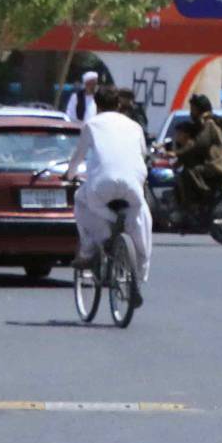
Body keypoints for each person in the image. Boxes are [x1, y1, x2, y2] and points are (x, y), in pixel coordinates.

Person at [66, 83, 151, 294]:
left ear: (96, 104)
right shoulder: (135, 126)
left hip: (101, 186)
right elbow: (143, 154)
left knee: (80, 200)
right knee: (141, 214)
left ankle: (88, 250)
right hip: (133, 185)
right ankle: (140, 272)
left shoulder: (92, 125)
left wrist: (69, 175)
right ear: (119, 104)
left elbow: (77, 157)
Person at [169, 94, 222, 218]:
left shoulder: (209, 124)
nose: (191, 112)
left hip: (216, 165)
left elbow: (198, 145)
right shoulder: (203, 123)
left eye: (193, 109)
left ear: (200, 109)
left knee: (189, 172)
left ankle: (195, 206)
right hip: (211, 163)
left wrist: (176, 153)